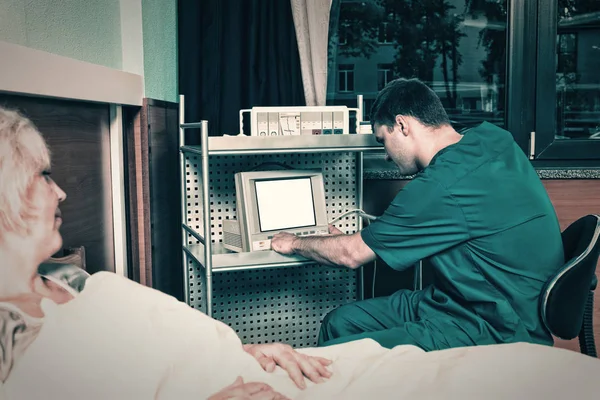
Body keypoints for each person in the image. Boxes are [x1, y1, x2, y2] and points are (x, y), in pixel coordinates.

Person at [0, 107, 331, 399]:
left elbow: (154, 358)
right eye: (44, 175)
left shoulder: (73, 279)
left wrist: (249, 352)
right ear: (7, 193)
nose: (60, 192)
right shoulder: (11, 337)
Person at [271, 78, 564, 352]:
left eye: (382, 140)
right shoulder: (494, 139)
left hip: (495, 326)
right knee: (341, 323)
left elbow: (351, 255)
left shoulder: (438, 185)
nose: (385, 154)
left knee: (351, 346)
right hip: (467, 302)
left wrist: (294, 242)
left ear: (402, 125)